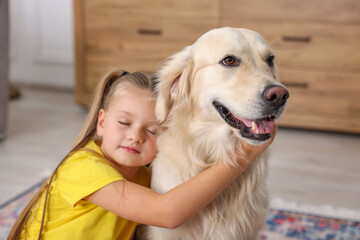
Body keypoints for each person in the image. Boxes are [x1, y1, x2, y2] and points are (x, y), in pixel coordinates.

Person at [8, 69, 277, 240]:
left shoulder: (146, 175)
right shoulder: (82, 167)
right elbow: (168, 214)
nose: (136, 136)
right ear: (101, 122)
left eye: (152, 130)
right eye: (124, 123)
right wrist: (244, 153)